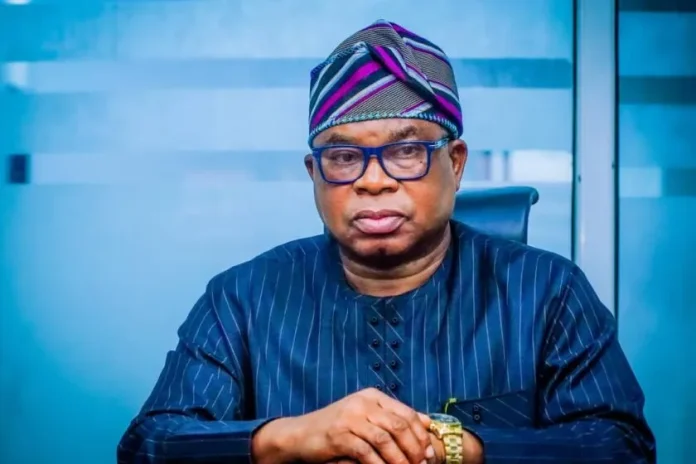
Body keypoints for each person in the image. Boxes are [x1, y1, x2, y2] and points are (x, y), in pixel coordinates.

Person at [117, 19, 656, 464]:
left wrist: (456, 448)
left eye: (406, 152)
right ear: (314, 174)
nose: (373, 181)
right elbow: (149, 445)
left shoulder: (547, 291)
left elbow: (621, 447)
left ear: (456, 164)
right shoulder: (242, 298)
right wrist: (292, 438)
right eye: (343, 157)